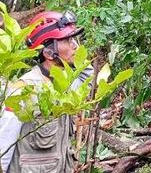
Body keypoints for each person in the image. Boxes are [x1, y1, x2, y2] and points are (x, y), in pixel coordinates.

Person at [0, 10, 92, 173]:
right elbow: (3, 145)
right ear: (49, 53)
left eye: (73, 39)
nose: (75, 45)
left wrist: (74, 54)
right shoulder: (24, 88)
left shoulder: (66, 85)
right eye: (68, 40)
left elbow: (89, 75)